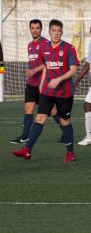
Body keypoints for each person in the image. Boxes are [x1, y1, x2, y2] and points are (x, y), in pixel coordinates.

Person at [13, 19, 79, 162]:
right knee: (40, 118)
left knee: (64, 120)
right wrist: (42, 87)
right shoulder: (44, 47)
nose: (56, 34)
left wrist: (59, 79)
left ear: (62, 32)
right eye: (53, 31)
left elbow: (73, 70)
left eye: (58, 31)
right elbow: (46, 67)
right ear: (49, 32)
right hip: (47, 92)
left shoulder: (69, 48)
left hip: (64, 92)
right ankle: (27, 150)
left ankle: (70, 153)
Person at [10, 19, 64, 144]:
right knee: (28, 108)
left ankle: (65, 131)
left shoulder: (46, 43)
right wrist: (31, 72)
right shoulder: (30, 45)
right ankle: (25, 136)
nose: (35, 30)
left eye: (37, 28)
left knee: (52, 110)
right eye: (32, 28)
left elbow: (47, 63)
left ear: (41, 29)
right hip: (31, 83)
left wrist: (34, 70)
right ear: (30, 29)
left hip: (43, 84)